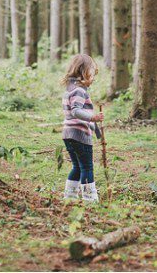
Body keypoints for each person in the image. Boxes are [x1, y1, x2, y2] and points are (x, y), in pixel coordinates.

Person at [61, 53, 103, 202]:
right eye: (92, 73)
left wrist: (96, 130)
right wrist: (93, 117)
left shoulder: (70, 89)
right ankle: (90, 199)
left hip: (68, 134)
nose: (93, 77)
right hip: (79, 135)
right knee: (87, 168)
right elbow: (76, 111)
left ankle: (70, 197)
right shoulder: (79, 91)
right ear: (84, 71)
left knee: (77, 167)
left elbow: (75, 114)